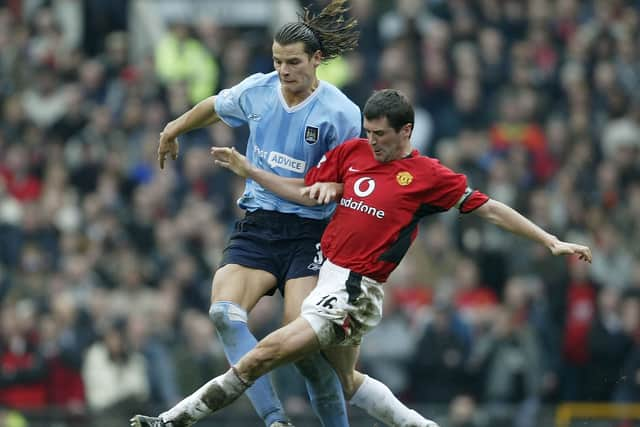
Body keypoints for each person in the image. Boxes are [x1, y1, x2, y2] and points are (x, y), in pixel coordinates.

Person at [131, 90, 592, 427]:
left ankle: (172, 420)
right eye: (368, 133)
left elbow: (488, 207)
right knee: (346, 380)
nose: (371, 142)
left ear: (406, 131)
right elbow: (303, 192)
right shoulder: (351, 152)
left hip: (355, 290)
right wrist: (251, 171)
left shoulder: (428, 175)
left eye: (381, 136)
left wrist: (549, 240)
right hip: (324, 275)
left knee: (264, 354)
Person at [149, 2, 363, 427]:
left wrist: (325, 192)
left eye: (293, 63)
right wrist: (173, 127)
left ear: (316, 60)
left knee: (300, 343)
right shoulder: (259, 90)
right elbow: (214, 104)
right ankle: (274, 420)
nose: (284, 71)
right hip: (259, 225)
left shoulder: (341, 113)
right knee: (223, 314)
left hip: (312, 234)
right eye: (277, 61)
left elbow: (351, 181)